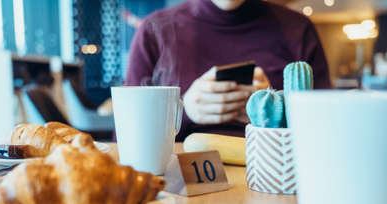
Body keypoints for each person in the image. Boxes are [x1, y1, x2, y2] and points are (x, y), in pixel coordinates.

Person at [125, 0, 331, 140]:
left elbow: (328, 133)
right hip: (176, 184)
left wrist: (270, 114)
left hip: (276, 182)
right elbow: (127, 138)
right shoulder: (153, 32)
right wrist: (183, 112)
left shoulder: (299, 30)